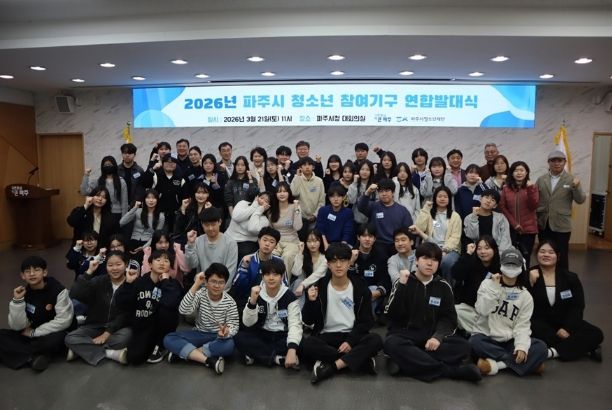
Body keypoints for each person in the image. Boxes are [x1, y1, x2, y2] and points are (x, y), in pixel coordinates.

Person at [383, 243, 480, 382]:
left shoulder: (443, 286)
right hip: (404, 335)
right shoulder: (403, 281)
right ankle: (450, 371)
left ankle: (406, 361)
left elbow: (449, 319)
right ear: (416, 261)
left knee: (463, 346)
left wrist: (437, 337)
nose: (430, 263)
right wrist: (402, 287)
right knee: (391, 344)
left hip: (430, 337)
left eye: (435, 260)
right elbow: (391, 314)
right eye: (425, 258)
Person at [301, 243, 383, 384]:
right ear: (328, 264)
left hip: (352, 335)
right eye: (334, 261)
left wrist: (350, 341)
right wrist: (310, 302)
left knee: (376, 340)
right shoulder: (319, 286)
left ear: (349, 262)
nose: (338, 265)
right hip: (326, 335)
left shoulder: (360, 286)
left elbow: (367, 321)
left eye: (343, 260)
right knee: (306, 344)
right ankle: (360, 361)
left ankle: (332, 366)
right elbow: (307, 321)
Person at [470, 248, 548, 377]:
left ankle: (497, 365)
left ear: (521, 267)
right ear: (501, 265)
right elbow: (482, 310)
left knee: (541, 347)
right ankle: (526, 364)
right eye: (507, 264)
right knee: (474, 343)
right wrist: (494, 288)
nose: (511, 268)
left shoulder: (525, 296)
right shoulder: (487, 284)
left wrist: (521, 347)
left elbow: (522, 326)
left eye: (514, 264)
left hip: (510, 341)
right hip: (487, 338)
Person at [528, 240, 603, 362]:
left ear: (558, 256)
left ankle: (552, 352)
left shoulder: (570, 277)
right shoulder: (528, 275)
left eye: (551, 252)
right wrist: (529, 282)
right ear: (537, 254)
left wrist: (567, 328)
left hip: (563, 321)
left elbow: (577, 307)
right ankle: (586, 348)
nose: (546, 255)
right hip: (539, 322)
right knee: (536, 333)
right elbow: (522, 303)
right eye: (542, 251)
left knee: (596, 333)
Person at [0, 256, 75, 371]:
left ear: (44, 272)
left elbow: (64, 321)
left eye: (36, 270)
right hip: (33, 334)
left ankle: (19, 354)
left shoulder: (59, 291)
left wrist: (34, 333)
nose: (32, 274)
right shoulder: (25, 293)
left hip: (53, 333)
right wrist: (17, 301)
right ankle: (32, 358)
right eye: (27, 271)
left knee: (56, 340)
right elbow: (17, 326)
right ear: (22, 276)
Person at [164, 263, 239, 374]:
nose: (217, 286)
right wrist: (196, 284)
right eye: (213, 281)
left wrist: (227, 332)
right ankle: (208, 360)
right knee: (169, 338)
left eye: (221, 282)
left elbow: (234, 325)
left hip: (218, 337)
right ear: (206, 282)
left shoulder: (230, 302)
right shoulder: (200, 294)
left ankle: (185, 354)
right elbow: (183, 310)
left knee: (229, 345)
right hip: (199, 333)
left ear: (225, 283)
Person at [115, 249, 182, 365]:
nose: (162, 263)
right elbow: (122, 303)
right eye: (158, 260)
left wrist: (165, 282)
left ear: (170, 266)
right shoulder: (139, 282)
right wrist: (128, 283)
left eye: (166, 261)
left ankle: (161, 346)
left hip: (161, 328)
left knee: (167, 310)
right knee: (134, 358)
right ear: (150, 264)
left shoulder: (173, 284)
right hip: (142, 326)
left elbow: (171, 302)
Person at [65, 251, 132, 366]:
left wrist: (107, 333)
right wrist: (89, 272)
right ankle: (109, 353)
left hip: (117, 328)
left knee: (127, 336)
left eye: (118, 264)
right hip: (95, 325)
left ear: (126, 264)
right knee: (70, 338)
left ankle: (81, 349)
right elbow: (75, 294)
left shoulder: (130, 283)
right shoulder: (99, 281)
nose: (114, 268)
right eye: (110, 265)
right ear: (106, 266)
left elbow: (126, 313)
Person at [235, 259, 302, 368]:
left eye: (275, 274)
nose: (271, 278)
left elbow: (295, 324)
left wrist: (291, 348)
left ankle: (257, 355)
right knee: (239, 338)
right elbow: (248, 323)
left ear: (281, 276)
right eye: (267, 274)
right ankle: (277, 358)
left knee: (301, 342)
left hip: (282, 336)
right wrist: (252, 302)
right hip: (262, 334)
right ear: (262, 276)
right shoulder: (256, 292)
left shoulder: (289, 296)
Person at [536, 150, 586, 271]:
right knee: (543, 254)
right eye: (553, 160)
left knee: (561, 254)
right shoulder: (541, 179)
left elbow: (580, 200)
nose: (557, 163)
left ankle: (563, 279)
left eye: (560, 160)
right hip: (543, 223)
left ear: (565, 162)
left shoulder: (572, 179)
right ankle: (544, 276)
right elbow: (535, 199)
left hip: (562, 225)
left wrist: (576, 187)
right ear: (548, 162)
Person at [451, 235, 501, 334]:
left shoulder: (500, 268)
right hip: (470, 310)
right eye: (479, 248)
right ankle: (479, 332)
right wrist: (468, 254)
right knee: (454, 311)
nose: (483, 252)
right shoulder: (471, 263)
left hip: (490, 312)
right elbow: (456, 274)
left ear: (494, 250)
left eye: (487, 248)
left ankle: (476, 332)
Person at [357, 178, 413, 261]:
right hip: (377, 244)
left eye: (387, 191)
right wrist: (368, 192)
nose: (384, 194)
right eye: (381, 191)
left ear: (393, 192)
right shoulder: (373, 206)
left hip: (396, 245)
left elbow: (408, 231)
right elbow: (361, 207)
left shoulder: (402, 210)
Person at [230, 227, 283, 309]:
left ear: (276, 245)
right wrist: (244, 267)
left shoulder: (279, 262)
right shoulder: (248, 259)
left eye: (271, 242)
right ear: (258, 240)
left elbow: (284, 286)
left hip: (271, 303)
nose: (267, 244)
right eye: (264, 240)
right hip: (247, 301)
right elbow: (237, 286)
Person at [499, 161, 539, 264]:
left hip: (528, 230)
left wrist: (530, 189)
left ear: (526, 173)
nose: (519, 173)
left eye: (522, 170)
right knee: (511, 256)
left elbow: (533, 206)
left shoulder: (532, 187)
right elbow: (502, 207)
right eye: (516, 170)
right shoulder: (506, 188)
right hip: (511, 229)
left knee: (525, 257)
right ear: (512, 173)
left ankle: (525, 274)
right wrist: (514, 224)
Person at [184, 207, 238, 284]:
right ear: (202, 224)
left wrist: (217, 287)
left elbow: (230, 272)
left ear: (220, 222)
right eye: (207, 225)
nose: (210, 228)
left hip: (222, 287)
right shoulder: (198, 241)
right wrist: (190, 245)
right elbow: (191, 265)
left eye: (213, 224)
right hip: (202, 286)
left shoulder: (231, 243)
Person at [349, 224, 391, 319]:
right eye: (364, 236)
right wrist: (351, 262)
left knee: (372, 289)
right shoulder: (350, 254)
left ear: (374, 239)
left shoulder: (381, 256)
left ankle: (367, 318)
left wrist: (378, 292)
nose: (367, 239)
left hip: (372, 293)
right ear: (358, 237)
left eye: (370, 236)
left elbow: (385, 279)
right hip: (354, 292)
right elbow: (346, 279)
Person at [141, 153, 186, 234]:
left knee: (174, 235)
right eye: (167, 162)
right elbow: (144, 183)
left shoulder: (180, 179)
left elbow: (184, 197)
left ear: (176, 164)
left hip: (175, 215)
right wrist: (152, 168)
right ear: (162, 163)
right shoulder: (156, 176)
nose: (170, 164)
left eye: (172, 162)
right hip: (158, 214)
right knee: (159, 235)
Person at [225, 191, 271, 267]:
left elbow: (252, 228)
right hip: (229, 238)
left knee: (244, 255)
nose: (262, 201)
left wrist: (258, 211)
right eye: (261, 198)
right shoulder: (242, 203)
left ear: (268, 206)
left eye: (266, 201)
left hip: (246, 243)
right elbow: (236, 217)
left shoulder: (264, 220)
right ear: (257, 197)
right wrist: (253, 206)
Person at [119, 189, 165, 260]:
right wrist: (135, 208)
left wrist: (144, 247)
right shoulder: (138, 211)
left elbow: (156, 235)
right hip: (133, 241)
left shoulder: (161, 216)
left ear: (157, 200)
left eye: (153, 198)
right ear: (144, 199)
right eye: (148, 198)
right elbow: (122, 222)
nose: (151, 200)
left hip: (148, 243)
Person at [81, 155, 129, 222]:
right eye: (105, 165)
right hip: (101, 213)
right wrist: (86, 175)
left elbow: (124, 202)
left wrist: (123, 220)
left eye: (109, 164)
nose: (107, 166)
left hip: (116, 214)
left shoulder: (121, 181)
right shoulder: (98, 181)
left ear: (114, 165)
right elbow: (84, 192)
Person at [268, 182, 302, 273]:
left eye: (284, 191)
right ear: (276, 194)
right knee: (269, 255)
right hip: (277, 243)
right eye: (279, 192)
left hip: (292, 242)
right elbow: (270, 230)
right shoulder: (272, 210)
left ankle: (285, 281)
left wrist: (296, 208)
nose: (282, 194)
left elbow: (298, 227)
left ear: (289, 193)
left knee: (287, 256)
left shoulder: (295, 207)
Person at [290, 156, 325, 241]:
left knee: (313, 240)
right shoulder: (296, 179)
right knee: (302, 240)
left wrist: (315, 215)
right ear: (300, 167)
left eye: (309, 164)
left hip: (315, 218)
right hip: (300, 218)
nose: (307, 167)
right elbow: (294, 193)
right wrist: (297, 177)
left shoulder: (319, 181)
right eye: (304, 165)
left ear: (313, 167)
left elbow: (322, 201)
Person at [291, 229, 328, 303]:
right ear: (305, 242)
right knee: (298, 281)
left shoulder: (324, 258)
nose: (312, 244)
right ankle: (295, 309)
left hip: (316, 287)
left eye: (315, 241)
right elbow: (296, 272)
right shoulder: (302, 256)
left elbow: (317, 274)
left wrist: (303, 285)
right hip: (300, 289)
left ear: (320, 242)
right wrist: (300, 253)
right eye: (309, 241)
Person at [173, 182, 213, 246]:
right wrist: (182, 210)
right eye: (198, 193)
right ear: (194, 194)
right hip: (186, 239)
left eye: (204, 193)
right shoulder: (188, 206)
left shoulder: (211, 208)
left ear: (208, 194)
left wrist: (207, 212)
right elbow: (178, 227)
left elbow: (209, 229)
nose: (201, 196)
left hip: (203, 241)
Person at [315, 184, 354, 248]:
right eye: (332, 196)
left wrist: (341, 248)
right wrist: (326, 246)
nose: (336, 199)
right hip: (324, 243)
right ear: (329, 198)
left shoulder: (348, 213)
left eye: (339, 196)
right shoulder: (323, 210)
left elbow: (347, 232)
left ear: (343, 197)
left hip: (342, 245)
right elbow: (320, 229)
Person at [347, 160, 375, 226]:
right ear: (359, 171)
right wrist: (354, 183)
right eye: (362, 169)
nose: (364, 172)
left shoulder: (374, 186)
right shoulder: (354, 185)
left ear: (371, 172)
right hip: (356, 220)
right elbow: (351, 200)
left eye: (367, 170)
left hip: (370, 221)